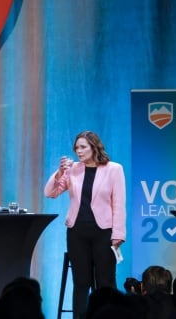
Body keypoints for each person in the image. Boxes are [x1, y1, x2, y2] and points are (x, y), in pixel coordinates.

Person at [44, 130, 126, 319]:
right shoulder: (73, 170)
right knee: (81, 283)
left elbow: (119, 204)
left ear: (94, 147)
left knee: (105, 282)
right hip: (77, 232)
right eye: (76, 148)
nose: (78, 151)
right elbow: (50, 193)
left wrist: (118, 234)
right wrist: (59, 173)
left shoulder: (114, 169)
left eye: (83, 147)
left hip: (104, 233)